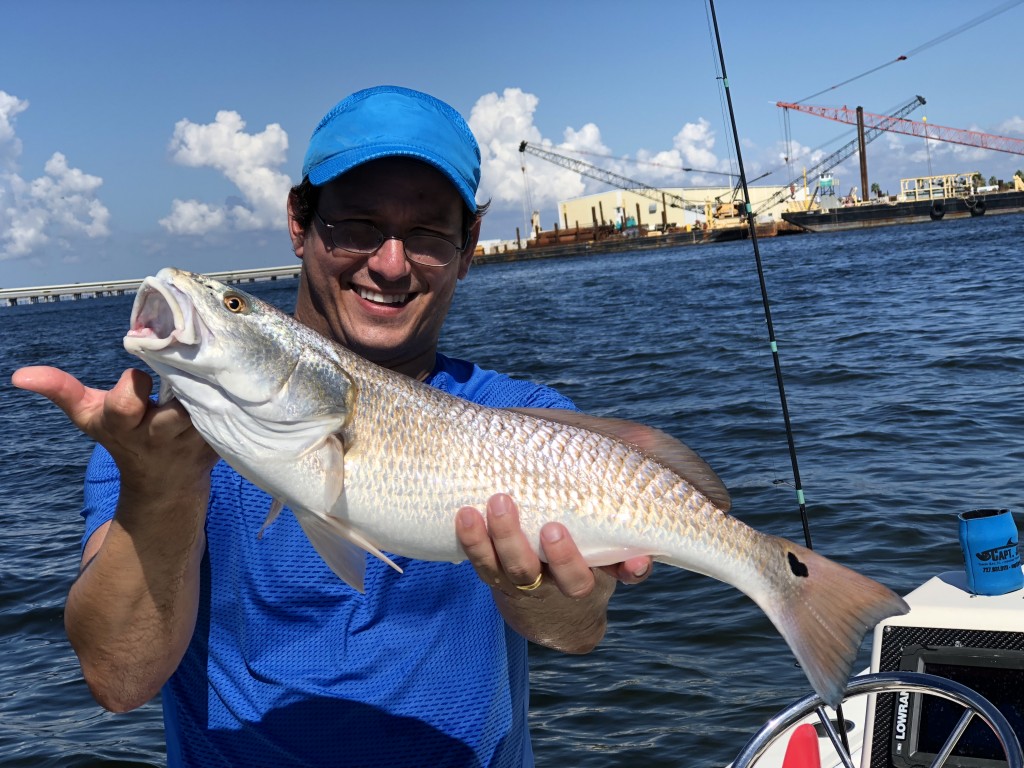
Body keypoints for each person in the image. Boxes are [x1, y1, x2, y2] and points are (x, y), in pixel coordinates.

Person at [12, 85, 652, 767]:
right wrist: (158, 498)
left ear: (468, 249)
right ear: (299, 222)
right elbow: (118, 678)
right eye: (356, 226)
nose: (389, 264)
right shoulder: (159, 438)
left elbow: (579, 630)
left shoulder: (527, 424)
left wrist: (538, 594)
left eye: (430, 235)